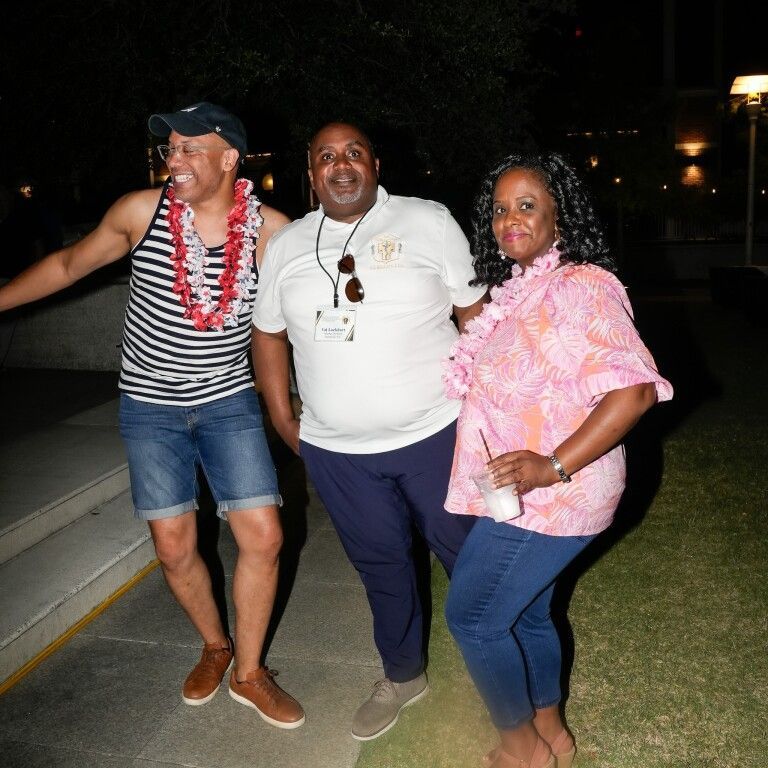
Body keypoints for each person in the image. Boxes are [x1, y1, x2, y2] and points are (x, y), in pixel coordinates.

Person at [0, 102, 305, 729]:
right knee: (172, 547)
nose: (175, 158)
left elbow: (307, 315)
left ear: (230, 157)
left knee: (265, 536)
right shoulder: (141, 212)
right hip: (150, 406)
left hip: (228, 400)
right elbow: (68, 266)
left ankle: (249, 672)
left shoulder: (273, 230)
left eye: (191, 147)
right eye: (171, 148)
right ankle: (215, 645)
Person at [251, 122, 488, 740]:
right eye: (326, 156)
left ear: (376, 165)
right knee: (381, 564)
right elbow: (267, 333)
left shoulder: (427, 220)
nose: (341, 164)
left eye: (354, 153)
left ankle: (495, 660)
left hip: (437, 433)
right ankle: (404, 674)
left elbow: (475, 312)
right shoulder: (287, 245)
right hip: (338, 452)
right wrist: (282, 415)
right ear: (311, 174)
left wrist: (491, 403)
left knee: (467, 552)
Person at [442, 151, 673, 768]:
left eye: (527, 205)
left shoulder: (581, 287)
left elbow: (634, 391)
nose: (509, 220)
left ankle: (522, 750)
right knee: (527, 612)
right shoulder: (524, 290)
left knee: (473, 616)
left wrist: (552, 465)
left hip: (555, 495)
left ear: (559, 217)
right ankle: (553, 733)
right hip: (521, 492)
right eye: (499, 209)